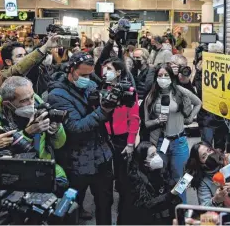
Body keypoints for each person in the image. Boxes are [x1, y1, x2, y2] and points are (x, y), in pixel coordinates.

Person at [48, 52, 114, 224]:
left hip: (101, 156)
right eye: (83, 74)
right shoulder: (57, 95)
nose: (87, 79)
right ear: (71, 70)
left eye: (89, 74)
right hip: (76, 162)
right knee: (72, 207)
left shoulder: (91, 85)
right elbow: (75, 127)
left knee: (105, 203)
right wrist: (103, 110)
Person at [0, 76, 68, 195]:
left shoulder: (37, 101)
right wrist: (27, 134)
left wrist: (56, 130)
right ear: (7, 104)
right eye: (24, 101)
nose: (31, 103)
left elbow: (59, 145)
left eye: (32, 97)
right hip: (16, 178)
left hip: (46, 167)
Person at [144, 64, 201, 203]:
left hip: (179, 142)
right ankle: (164, 211)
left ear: (172, 77)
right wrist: (157, 120)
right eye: (160, 75)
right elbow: (146, 123)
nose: (163, 78)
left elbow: (198, 102)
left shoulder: (180, 91)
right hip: (160, 142)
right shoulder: (151, 96)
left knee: (181, 179)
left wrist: (189, 118)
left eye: (166, 75)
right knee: (160, 177)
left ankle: (182, 208)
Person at [100, 57, 140, 224]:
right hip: (103, 138)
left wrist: (130, 142)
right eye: (104, 69)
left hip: (122, 139)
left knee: (123, 180)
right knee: (105, 182)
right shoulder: (100, 89)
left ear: (118, 72)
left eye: (109, 69)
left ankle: (123, 217)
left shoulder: (128, 92)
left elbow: (134, 119)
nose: (105, 72)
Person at [122, 141, 181, 225]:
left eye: (156, 153)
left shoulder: (160, 169)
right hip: (145, 219)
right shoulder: (136, 178)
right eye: (152, 155)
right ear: (144, 162)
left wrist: (178, 185)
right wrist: (171, 194)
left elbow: (169, 184)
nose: (157, 157)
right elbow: (147, 205)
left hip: (162, 213)